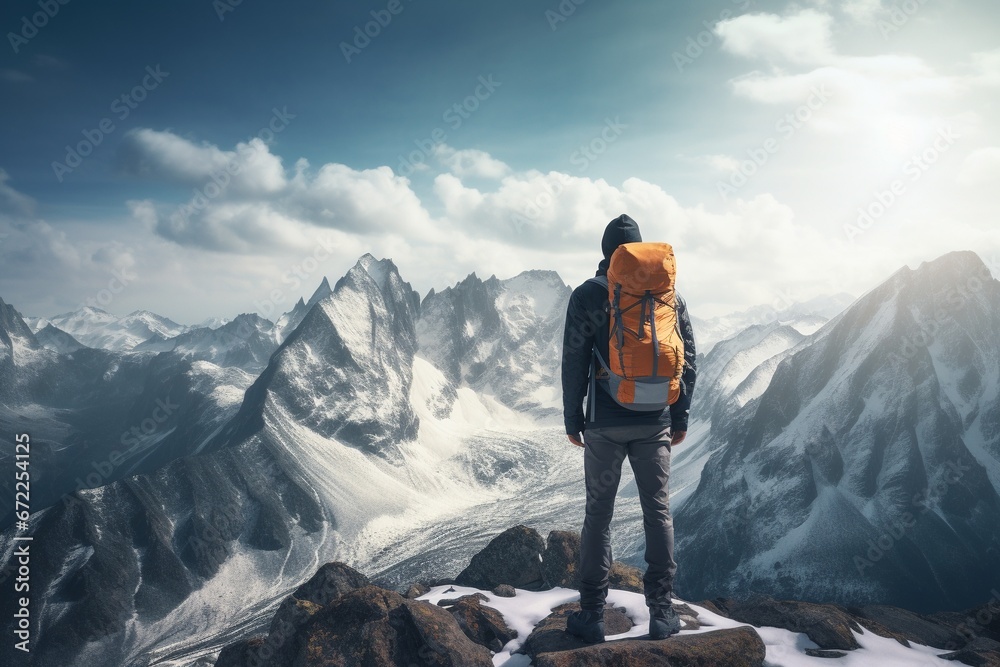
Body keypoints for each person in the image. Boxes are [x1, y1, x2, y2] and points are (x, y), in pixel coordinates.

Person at [560, 214, 697, 643]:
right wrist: (679, 417)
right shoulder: (666, 294)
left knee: (597, 517)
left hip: (604, 423)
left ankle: (592, 617)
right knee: (657, 511)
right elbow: (687, 356)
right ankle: (661, 613)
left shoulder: (586, 295)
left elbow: (574, 362)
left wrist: (573, 419)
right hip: (654, 420)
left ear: (606, 253)